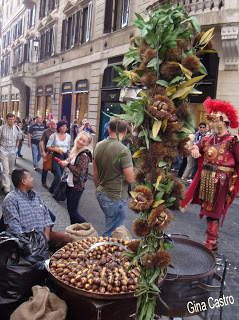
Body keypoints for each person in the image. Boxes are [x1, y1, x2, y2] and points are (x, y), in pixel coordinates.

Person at [180, 98, 239, 253]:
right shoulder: (207, 139)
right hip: (206, 179)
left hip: (222, 183)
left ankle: (210, 243)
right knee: (208, 211)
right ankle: (211, 243)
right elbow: (194, 146)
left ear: (223, 121)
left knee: (214, 213)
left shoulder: (233, 141)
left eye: (213, 121)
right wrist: (194, 149)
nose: (210, 124)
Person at [2, 169, 71, 252]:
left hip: (42, 235)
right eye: (30, 177)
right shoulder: (11, 200)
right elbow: (15, 229)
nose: (33, 179)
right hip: (25, 242)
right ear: (23, 181)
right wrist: (30, 243)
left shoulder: (36, 195)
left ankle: (51, 259)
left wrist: (46, 234)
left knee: (66, 239)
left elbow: (46, 215)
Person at [93, 118, 134, 237]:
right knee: (114, 232)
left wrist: (97, 188)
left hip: (102, 193)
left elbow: (95, 172)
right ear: (125, 132)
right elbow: (130, 178)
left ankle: (109, 252)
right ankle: (106, 253)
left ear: (109, 129)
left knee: (111, 227)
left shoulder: (98, 145)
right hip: (116, 196)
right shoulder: (123, 150)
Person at [59, 131, 92, 224]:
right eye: (80, 139)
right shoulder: (76, 151)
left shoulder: (84, 155)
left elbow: (80, 173)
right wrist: (66, 163)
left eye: (84, 141)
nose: (80, 142)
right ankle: (74, 232)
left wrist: (68, 165)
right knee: (71, 212)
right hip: (70, 184)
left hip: (76, 187)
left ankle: (87, 227)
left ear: (87, 144)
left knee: (73, 213)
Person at [46, 120, 71, 194]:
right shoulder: (54, 136)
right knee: (58, 176)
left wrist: (68, 158)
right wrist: (56, 150)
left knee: (60, 175)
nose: (64, 128)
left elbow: (68, 147)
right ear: (59, 127)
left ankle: (51, 188)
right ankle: (55, 192)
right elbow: (48, 146)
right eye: (62, 126)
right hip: (56, 157)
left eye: (65, 126)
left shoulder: (68, 136)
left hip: (64, 157)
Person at [0, 113, 21, 194]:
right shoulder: (2, 128)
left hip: (12, 151)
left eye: (13, 119)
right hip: (3, 150)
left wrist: (16, 147)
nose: (11, 121)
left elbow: (18, 139)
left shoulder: (17, 128)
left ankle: (3, 183)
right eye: (10, 119)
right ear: (6, 120)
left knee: (10, 170)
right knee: (5, 169)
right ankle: (7, 188)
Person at [39, 119, 57, 188]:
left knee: (55, 169)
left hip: (56, 153)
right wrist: (43, 152)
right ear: (50, 124)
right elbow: (41, 142)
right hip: (48, 153)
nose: (55, 125)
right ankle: (43, 182)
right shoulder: (46, 132)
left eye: (56, 124)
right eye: (53, 124)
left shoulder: (58, 132)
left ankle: (55, 184)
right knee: (46, 167)